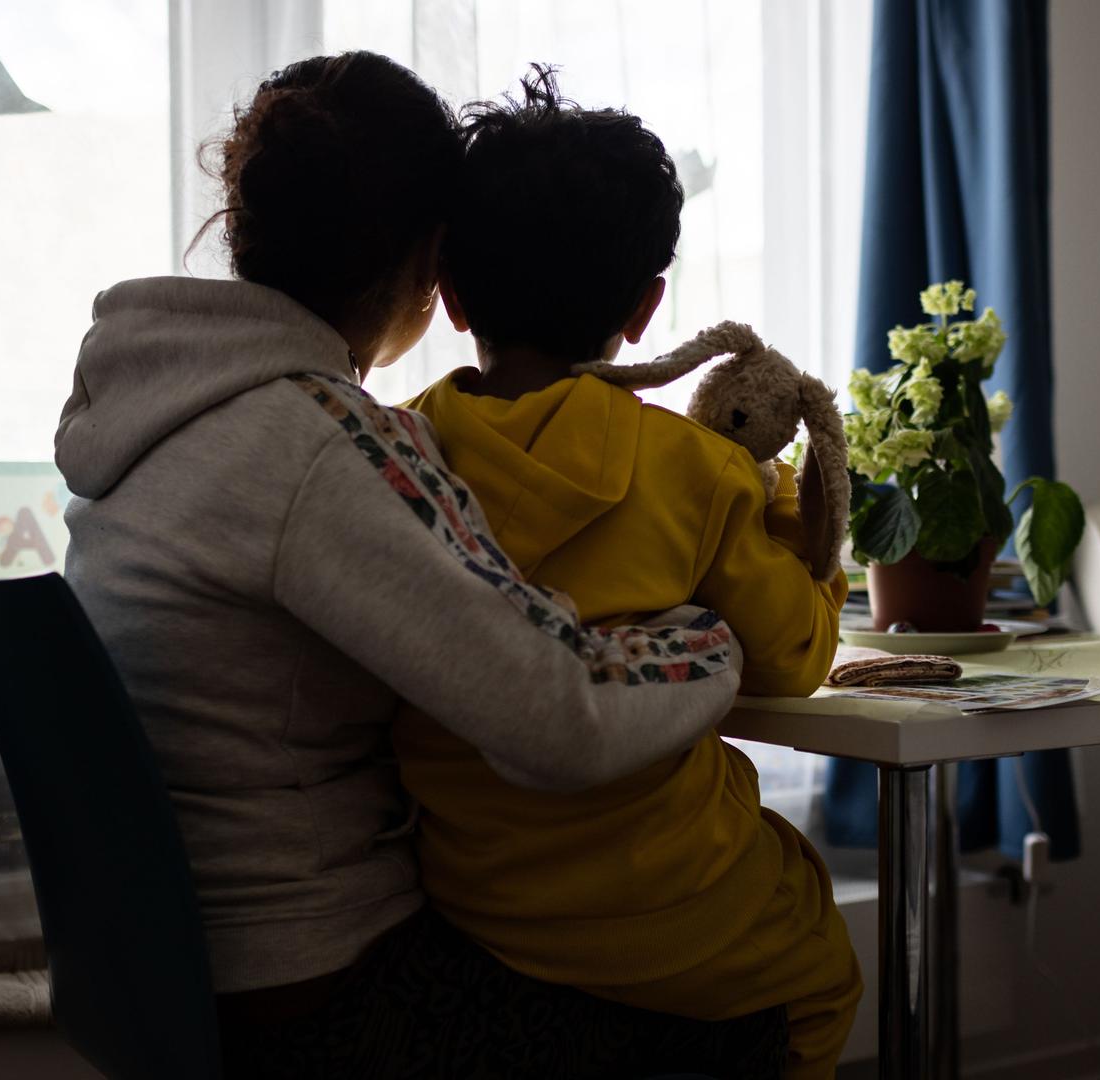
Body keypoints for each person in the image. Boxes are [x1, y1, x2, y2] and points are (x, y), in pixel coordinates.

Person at [56, 52, 785, 1079]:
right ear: (429, 259)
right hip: (324, 994)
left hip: (178, 977)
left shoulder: (158, 414)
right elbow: (559, 719)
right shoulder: (321, 442)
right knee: (750, 1026)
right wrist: (710, 634)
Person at [395, 67, 862, 1080]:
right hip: (677, 910)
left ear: (453, 292)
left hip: (477, 902)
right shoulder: (693, 468)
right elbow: (793, 660)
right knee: (823, 971)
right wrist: (802, 535)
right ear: (650, 308)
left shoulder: (406, 451)